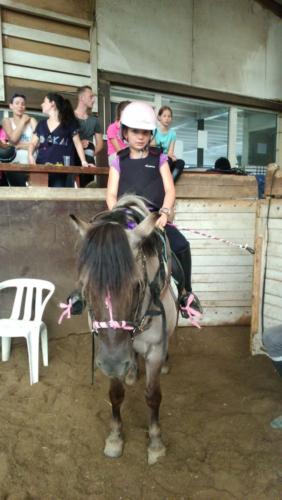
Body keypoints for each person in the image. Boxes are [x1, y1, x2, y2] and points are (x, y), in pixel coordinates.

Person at [106, 101, 202, 318]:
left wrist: (165, 213)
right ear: (125, 133)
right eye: (135, 131)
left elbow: (169, 190)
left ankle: (186, 294)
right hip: (127, 221)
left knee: (181, 245)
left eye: (145, 132)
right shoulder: (117, 161)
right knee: (100, 245)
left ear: (151, 134)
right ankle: (89, 295)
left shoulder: (159, 158)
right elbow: (111, 195)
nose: (140, 136)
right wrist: (122, 215)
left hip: (155, 219)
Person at [28, 92, 92, 187]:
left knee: (58, 197)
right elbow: (33, 143)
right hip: (41, 168)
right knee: (40, 197)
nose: (41, 104)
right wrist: (30, 155)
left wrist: (83, 161)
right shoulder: (41, 124)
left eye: (44, 101)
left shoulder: (69, 123)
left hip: (62, 170)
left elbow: (77, 144)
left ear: (52, 104)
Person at [2, 93, 37, 186]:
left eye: (23, 104)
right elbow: (13, 139)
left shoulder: (32, 121)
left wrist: (20, 145)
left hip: (32, 164)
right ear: (11, 106)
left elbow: (38, 143)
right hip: (14, 166)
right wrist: (23, 121)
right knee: (17, 193)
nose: (20, 106)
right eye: (17, 103)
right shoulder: (6, 121)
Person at [74, 86, 104, 187]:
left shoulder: (94, 120)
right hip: (72, 157)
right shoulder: (70, 117)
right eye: (91, 96)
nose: (93, 99)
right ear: (81, 98)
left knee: (87, 187)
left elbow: (100, 144)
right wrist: (78, 145)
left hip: (89, 160)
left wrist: (90, 152)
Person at [151, 105, 185, 183]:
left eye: (169, 116)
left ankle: (170, 182)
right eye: (164, 116)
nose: (167, 118)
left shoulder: (173, 133)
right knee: (168, 159)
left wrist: (169, 156)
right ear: (159, 118)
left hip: (167, 159)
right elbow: (153, 150)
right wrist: (167, 156)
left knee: (180, 162)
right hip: (157, 159)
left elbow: (170, 152)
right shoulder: (154, 131)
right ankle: (161, 182)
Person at [107, 100, 130, 166]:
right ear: (121, 112)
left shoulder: (131, 129)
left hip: (129, 155)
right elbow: (119, 151)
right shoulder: (112, 127)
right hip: (116, 155)